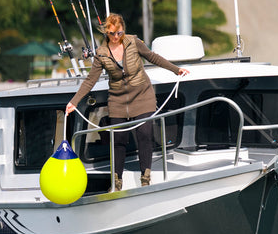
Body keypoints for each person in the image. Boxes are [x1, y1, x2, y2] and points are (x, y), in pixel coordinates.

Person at [65, 13, 190, 191]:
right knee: (119, 138)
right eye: (112, 34)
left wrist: (176, 70)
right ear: (106, 33)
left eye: (119, 33)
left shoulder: (133, 42)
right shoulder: (101, 54)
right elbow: (90, 80)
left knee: (145, 134)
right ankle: (117, 178)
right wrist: (74, 102)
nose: (116, 37)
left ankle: (145, 176)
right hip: (118, 99)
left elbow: (152, 57)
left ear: (123, 31)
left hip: (142, 94)